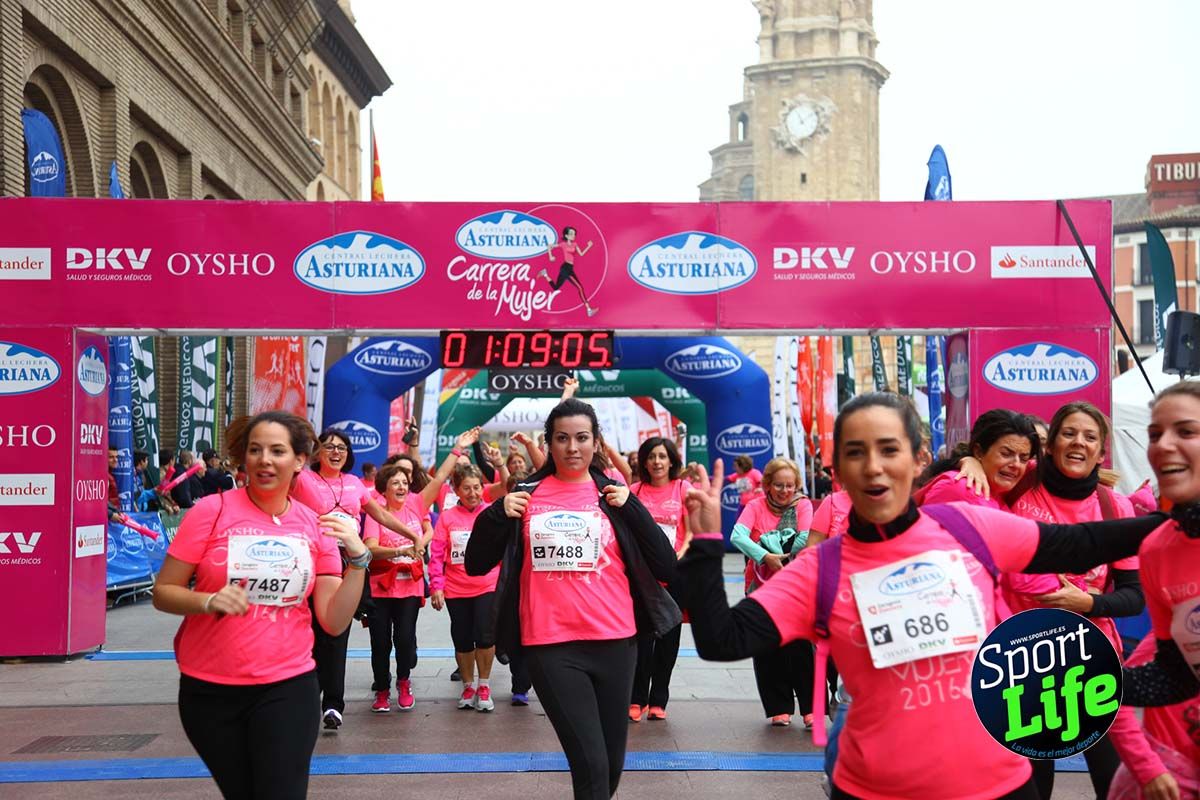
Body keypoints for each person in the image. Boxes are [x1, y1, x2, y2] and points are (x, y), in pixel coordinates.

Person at [678, 392, 1166, 800]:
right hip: (873, 789)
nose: (874, 467)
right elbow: (721, 640)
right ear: (837, 472)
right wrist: (704, 547)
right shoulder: (818, 571)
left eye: (889, 449)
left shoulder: (970, 526)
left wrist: (1176, 519)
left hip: (998, 785)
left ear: (918, 460)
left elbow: (1085, 543)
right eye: (855, 452)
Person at [466, 398, 679, 800]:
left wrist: (633, 507)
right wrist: (497, 514)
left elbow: (667, 566)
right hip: (551, 647)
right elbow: (475, 564)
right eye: (562, 439)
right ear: (548, 443)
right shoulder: (525, 497)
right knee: (592, 767)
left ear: (596, 441)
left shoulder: (614, 496)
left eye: (582, 438)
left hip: (617, 643)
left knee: (610, 767)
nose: (572, 447)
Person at [151, 411, 368, 800]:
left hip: (288, 686)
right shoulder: (211, 511)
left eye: (277, 450)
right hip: (209, 692)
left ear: (300, 460)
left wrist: (358, 560)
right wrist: (208, 600)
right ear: (244, 458)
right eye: (255, 450)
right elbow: (164, 591)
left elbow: (333, 621)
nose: (265, 459)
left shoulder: (313, 526)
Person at [1005, 402, 1142, 800]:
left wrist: (1088, 604)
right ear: (1049, 445)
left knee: (1114, 781)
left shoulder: (1114, 506)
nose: (1078, 442)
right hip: (1022, 662)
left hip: (1091, 662)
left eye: (1089, 436)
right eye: (1068, 433)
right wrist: (972, 465)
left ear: (1101, 452)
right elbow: (951, 489)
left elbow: (1134, 597)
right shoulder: (1019, 482)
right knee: (1030, 785)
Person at [289, 428, 423, 731]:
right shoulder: (303, 479)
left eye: (342, 448)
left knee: (337, 634)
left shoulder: (353, 484)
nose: (336, 452)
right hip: (309, 562)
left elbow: (381, 515)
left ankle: (333, 705)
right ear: (316, 452)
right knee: (310, 633)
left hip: (347, 566)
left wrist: (411, 533)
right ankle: (308, 696)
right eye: (329, 447)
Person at [1124, 382, 1200, 707]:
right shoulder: (1157, 548)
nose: (1163, 445)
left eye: (1186, 432)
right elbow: (1178, 674)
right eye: (1155, 435)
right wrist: (1086, 681)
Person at [730, 456, 815, 727]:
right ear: (767, 484)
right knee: (767, 647)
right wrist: (765, 555)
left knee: (801, 646)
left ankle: (810, 708)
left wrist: (782, 556)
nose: (784, 491)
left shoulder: (802, 506)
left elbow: (806, 536)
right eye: (779, 485)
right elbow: (737, 536)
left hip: (795, 585)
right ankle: (779, 706)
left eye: (790, 485)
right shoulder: (755, 506)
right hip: (760, 587)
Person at [628, 436, 692, 722]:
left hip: (675, 572)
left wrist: (679, 553)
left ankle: (659, 699)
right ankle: (636, 698)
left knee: (668, 639)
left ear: (671, 461)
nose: (657, 462)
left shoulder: (683, 488)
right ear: (644, 461)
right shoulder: (634, 490)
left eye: (662, 456)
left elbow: (691, 530)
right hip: (642, 577)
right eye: (652, 456)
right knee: (641, 640)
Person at [430, 465, 501, 712]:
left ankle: (484, 685)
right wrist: (436, 586)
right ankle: (468, 685)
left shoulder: (492, 513)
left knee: (484, 636)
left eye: (477, 487)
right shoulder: (447, 518)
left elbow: (501, 552)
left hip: (486, 585)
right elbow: (437, 555)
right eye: (467, 488)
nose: (473, 493)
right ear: (457, 491)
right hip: (456, 588)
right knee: (462, 638)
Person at [363, 464, 432, 713]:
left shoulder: (414, 512)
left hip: (409, 587)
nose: (402, 487)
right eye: (395, 483)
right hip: (380, 587)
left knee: (404, 639)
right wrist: (399, 551)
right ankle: (382, 690)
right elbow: (370, 548)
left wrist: (421, 544)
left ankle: (404, 682)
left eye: (404, 482)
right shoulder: (376, 515)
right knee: (380, 643)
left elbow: (428, 532)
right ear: (384, 489)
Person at [915, 409, 1039, 510]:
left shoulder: (997, 490)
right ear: (978, 451)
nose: (1016, 464)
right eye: (1006, 454)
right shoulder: (959, 486)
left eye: (1024, 458)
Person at [537, 225, 597, 317]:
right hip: (566, 268)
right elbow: (549, 246)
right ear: (566, 236)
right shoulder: (563, 244)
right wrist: (550, 256)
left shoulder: (575, 244)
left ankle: (545, 274)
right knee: (580, 288)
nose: (573, 236)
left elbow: (581, 254)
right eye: (571, 234)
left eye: (574, 234)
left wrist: (588, 246)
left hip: (569, 268)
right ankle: (589, 310)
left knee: (556, 287)